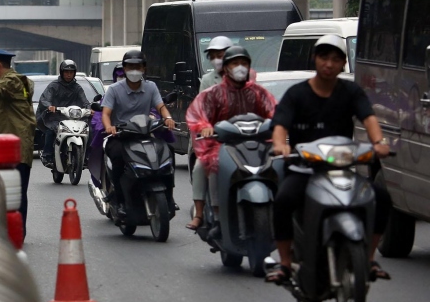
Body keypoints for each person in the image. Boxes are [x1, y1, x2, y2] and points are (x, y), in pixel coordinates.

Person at [265, 35, 393, 283]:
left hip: (341, 170)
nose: (329, 64)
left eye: (336, 59)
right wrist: (280, 145)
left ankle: (368, 258)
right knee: (282, 200)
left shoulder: (351, 91)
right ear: (315, 59)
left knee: (382, 198)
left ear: (343, 63)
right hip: (304, 170)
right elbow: (280, 124)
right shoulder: (297, 94)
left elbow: (369, 118)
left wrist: (380, 143)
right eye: (324, 57)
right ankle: (285, 262)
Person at [185, 46, 277, 231]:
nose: (240, 67)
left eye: (244, 63)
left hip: (255, 143)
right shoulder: (214, 92)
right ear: (226, 67)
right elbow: (199, 113)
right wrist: (205, 127)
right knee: (209, 167)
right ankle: (211, 216)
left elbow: (274, 112)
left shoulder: (258, 92)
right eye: (235, 63)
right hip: (223, 144)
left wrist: (278, 126)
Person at [100, 49, 176, 219]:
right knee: (118, 159)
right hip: (121, 136)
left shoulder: (151, 87)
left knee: (168, 152)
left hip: (144, 134)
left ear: (144, 68)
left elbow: (161, 107)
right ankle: (119, 202)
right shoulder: (114, 89)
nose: (134, 70)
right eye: (130, 66)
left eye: (138, 66)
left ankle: (169, 198)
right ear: (124, 68)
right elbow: (105, 113)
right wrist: (109, 127)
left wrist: (168, 118)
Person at [0, 46, 36, 238]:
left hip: (18, 147)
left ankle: (18, 232)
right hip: (11, 145)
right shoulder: (14, 82)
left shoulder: (13, 80)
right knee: (8, 191)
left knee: (17, 192)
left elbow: (0, 87)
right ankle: (11, 230)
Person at [36, 59, 90, 167]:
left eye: (71, 72)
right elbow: (45, 99)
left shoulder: (77, 88)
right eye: (66, 72)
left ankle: (86, 156)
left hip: (73, 118)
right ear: (62, 72)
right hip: (55, 117)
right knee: (51, 131)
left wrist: (89, 109)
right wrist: (49, 106)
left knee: (88, 130)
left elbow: (85, 101)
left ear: (74, 73)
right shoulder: (53, 86)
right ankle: (47, 155)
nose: (69, 75)